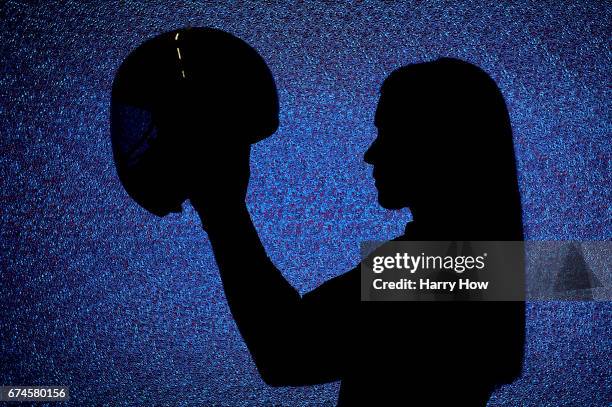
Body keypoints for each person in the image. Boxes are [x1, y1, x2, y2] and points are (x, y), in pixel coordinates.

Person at [191, 57, 525, 406]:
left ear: (437, 144)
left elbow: (285, 351)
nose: (371, 154)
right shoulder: (492, 266)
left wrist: (223, 208)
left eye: (389, 132)